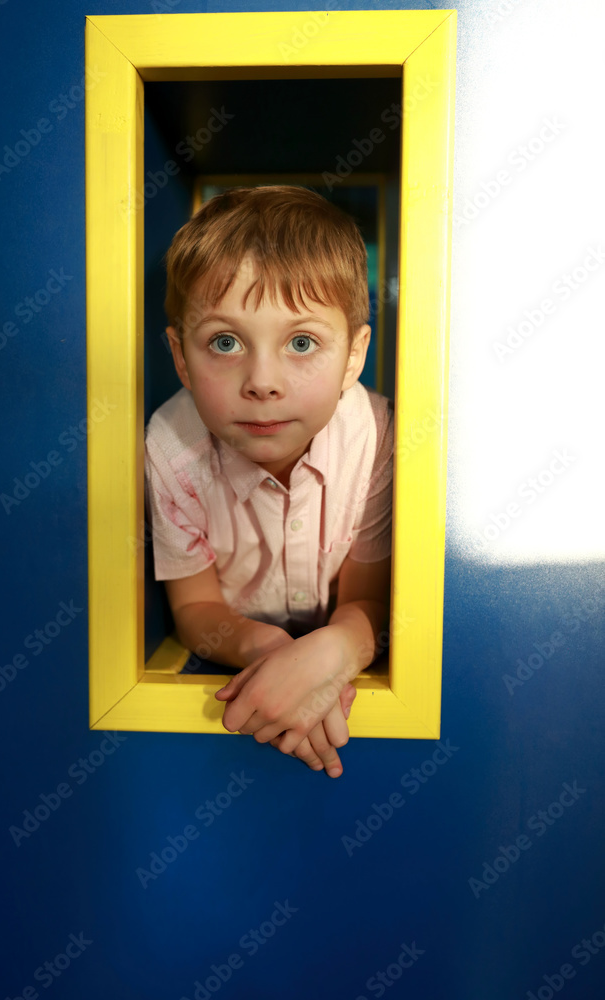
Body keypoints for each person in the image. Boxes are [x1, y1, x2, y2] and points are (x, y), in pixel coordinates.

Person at [144, 185, 393, 778]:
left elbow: (369, 599)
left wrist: (334, 652)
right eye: (225, 342)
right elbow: (197, 607)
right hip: (244, 643)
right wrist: (274, 655)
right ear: (181, 357)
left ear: (354, 356)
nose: (262, 382)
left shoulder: (378, 435)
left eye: (301, 342)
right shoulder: (169, 444)